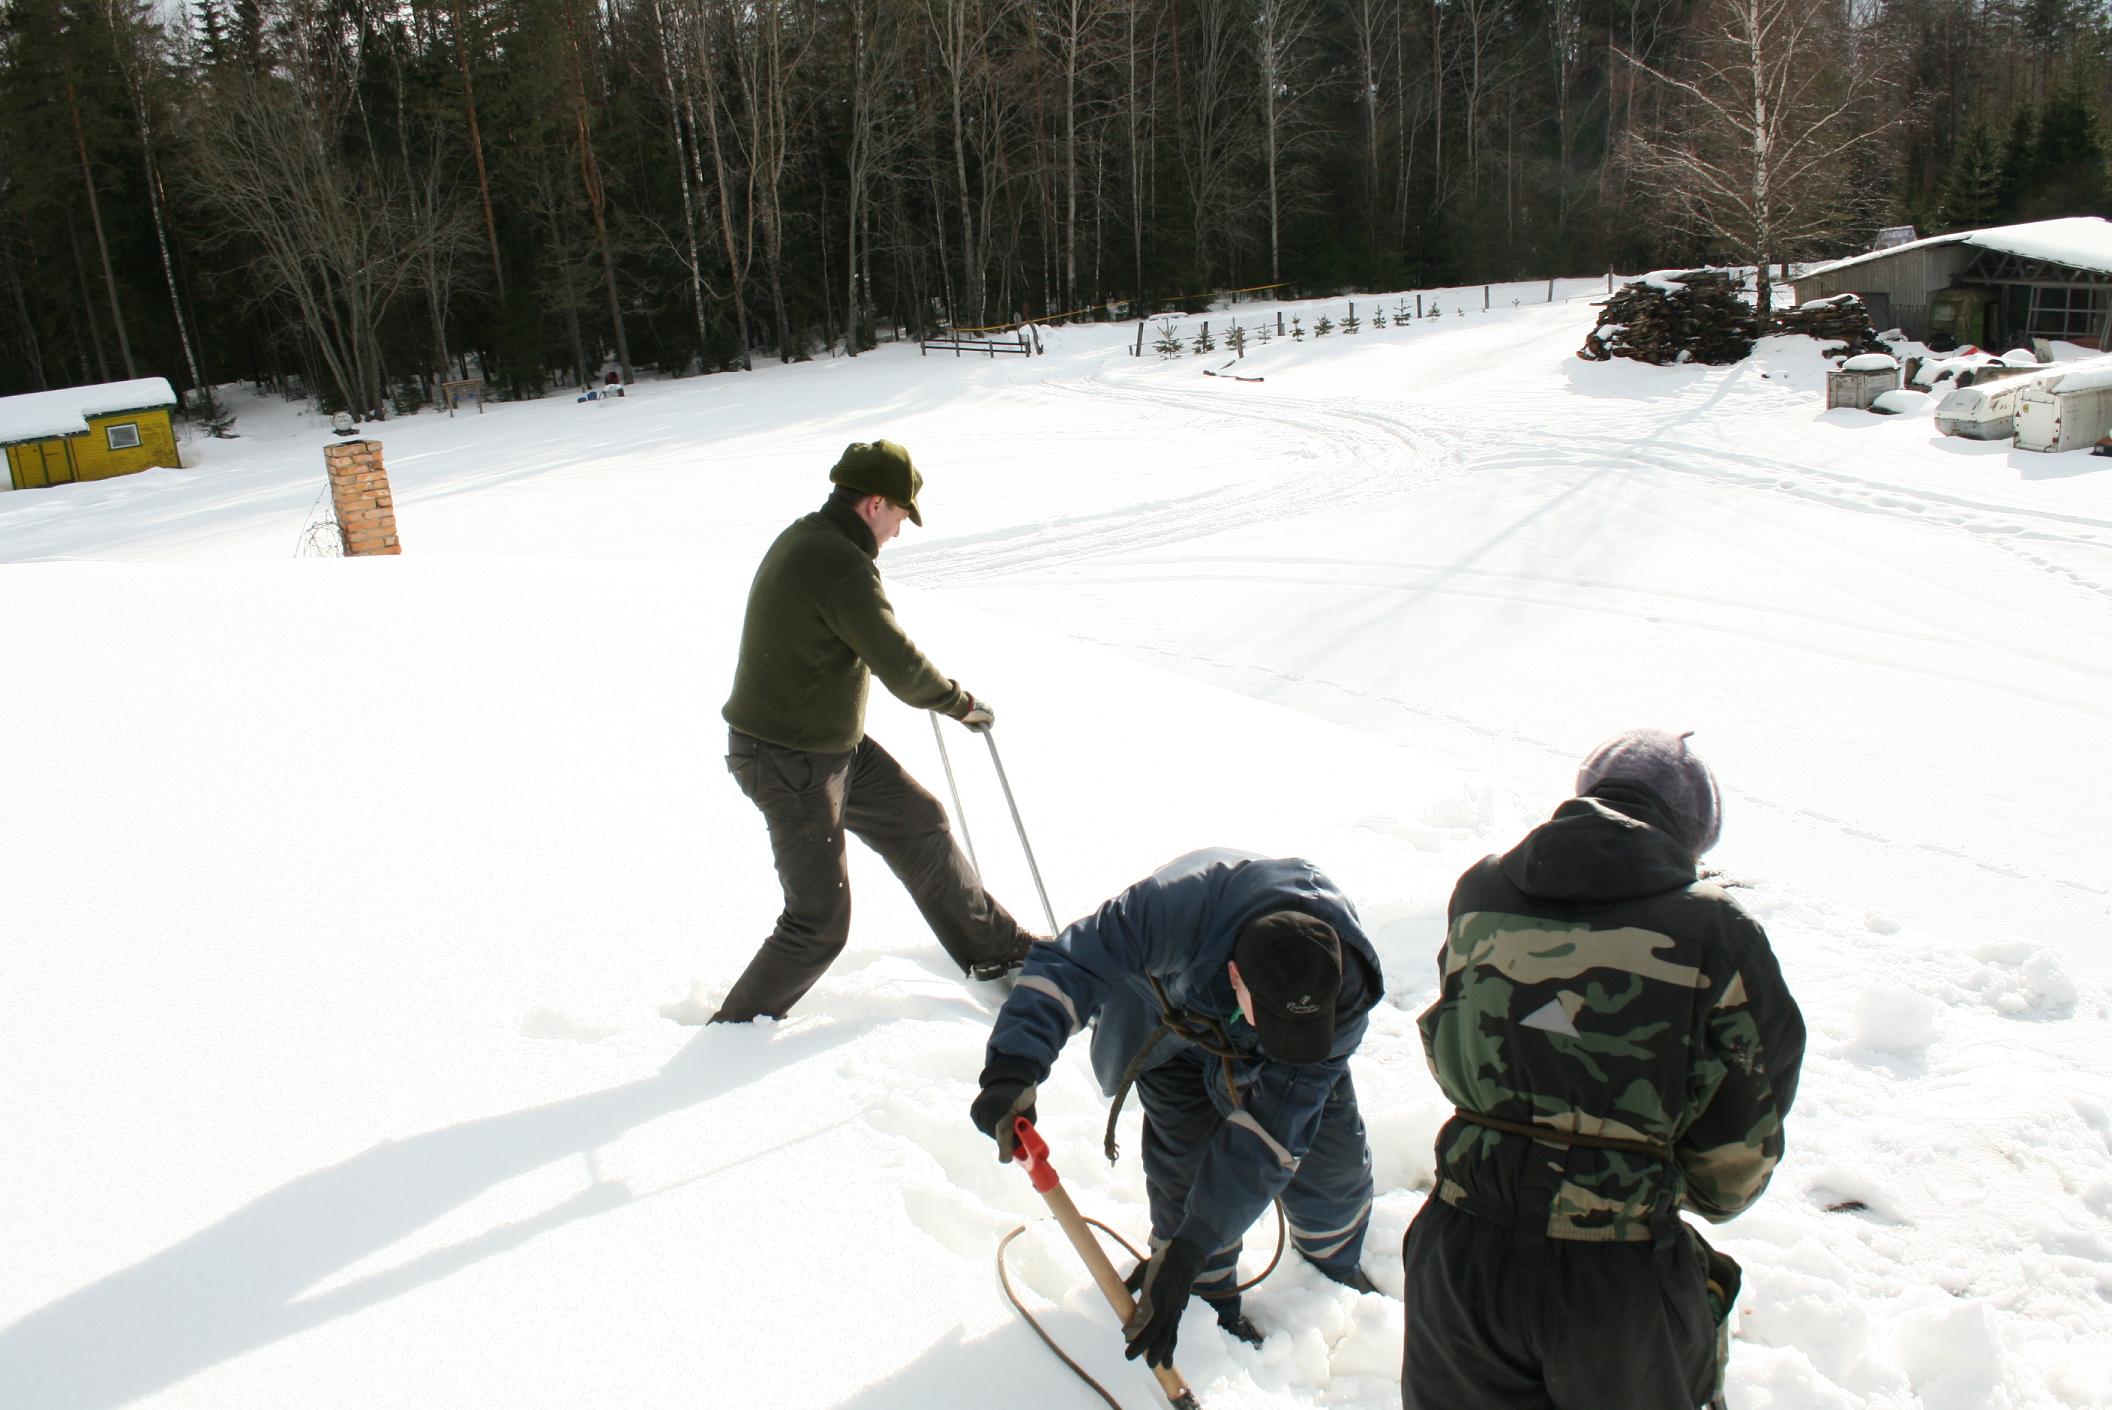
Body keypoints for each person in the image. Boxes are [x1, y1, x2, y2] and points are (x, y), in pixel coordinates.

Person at [1403, 729, 1806, 1410]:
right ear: (1695, 834)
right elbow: (1740, 1143)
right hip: (1615, 1274)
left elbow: (1459, 1039)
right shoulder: (1717, 934)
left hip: (1458, 1251)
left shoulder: (1480, 895)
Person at [971, 848, 1384, 1369]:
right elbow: (1070, 963)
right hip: (1170, 1013)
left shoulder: (1344, 990)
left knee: (1331, 1164)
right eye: (1275, 1023)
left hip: (1294, 1043)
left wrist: (1198, 1240)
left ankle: (1335, 1263)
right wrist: (1013, 1064)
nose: (1281, 1039)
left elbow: (1273, 1133)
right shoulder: (1170, 911)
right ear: (1236, 977)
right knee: (1184, 1166)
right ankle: (1206, 1309)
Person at [714, 440, 1037, 1024]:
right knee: (817, 924)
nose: (899, 531)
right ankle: (728, 1039)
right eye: (900, 516)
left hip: (828, 748)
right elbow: (898, 664)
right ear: (875, 504)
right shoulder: (839, 564)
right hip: (789, 760)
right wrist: (958, 703)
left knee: (919, 820)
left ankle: (1000, 953)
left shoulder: (809, 537)